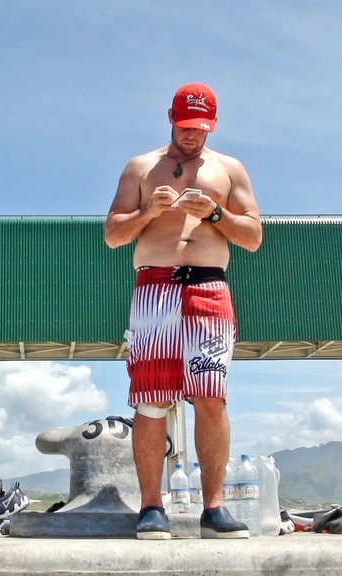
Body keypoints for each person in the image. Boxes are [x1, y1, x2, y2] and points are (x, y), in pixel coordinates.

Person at [103, 82, 262, 540]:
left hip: (209, 287)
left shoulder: (229, 169)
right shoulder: (140, 167)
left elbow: (252, 237)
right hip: (154, 286)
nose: (192, 136)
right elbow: (113, 234)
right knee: (151, 400)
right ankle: (151, 507)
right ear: (170, 117)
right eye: (186, 126)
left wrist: (214, 214)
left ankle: (214, 507)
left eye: (201, 129)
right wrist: (148, 213)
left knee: (211, 398)